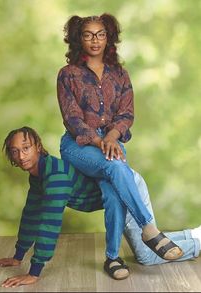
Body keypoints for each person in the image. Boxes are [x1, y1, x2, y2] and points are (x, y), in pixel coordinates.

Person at [56, 13, 185, 279]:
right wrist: (99, 140)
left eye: (100, 34)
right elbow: (72, 119)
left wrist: (112, 137)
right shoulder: (68, 74)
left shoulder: (120, 74)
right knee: (115, 167)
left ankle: (112, 259)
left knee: (114, 192)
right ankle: (149, 228)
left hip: (112, 143)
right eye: (88, 34)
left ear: (109, 38)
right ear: (79, 39)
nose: (95, 40)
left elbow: (126, 115)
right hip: (79, 145)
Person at [0, 127, 201, 287]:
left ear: (38, 147)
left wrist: (34, 272)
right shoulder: (40, 176)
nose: (21, 156)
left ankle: (198, 242)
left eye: (26, 148)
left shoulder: (55, 177)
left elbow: (48, 224)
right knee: (148, 250)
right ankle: (194, 234)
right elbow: (31, 214)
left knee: (146, 257)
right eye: (15, 151)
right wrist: (18, 256)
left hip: (125, 191)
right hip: (116, 193)